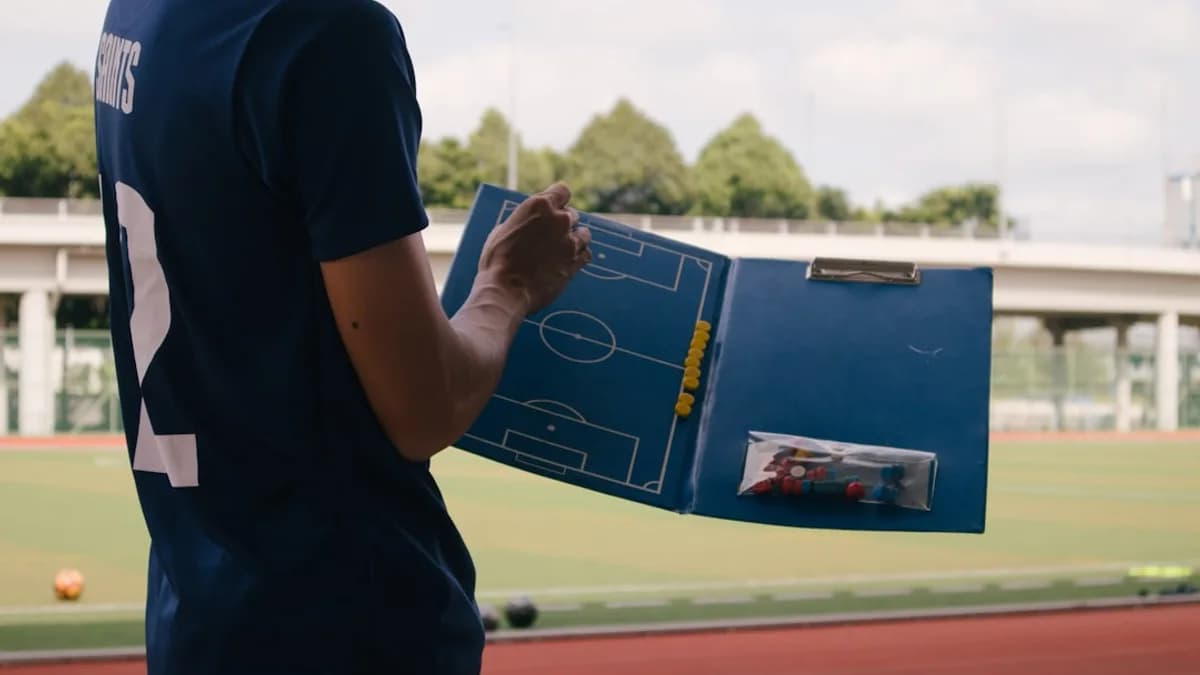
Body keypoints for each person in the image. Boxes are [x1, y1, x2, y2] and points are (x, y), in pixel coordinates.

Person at [92, 0, 591, 673]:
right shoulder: (329, 32)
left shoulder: (139, 13)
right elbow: (425, 408)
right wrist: (510, 283)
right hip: (345, 625)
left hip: (198, 622)